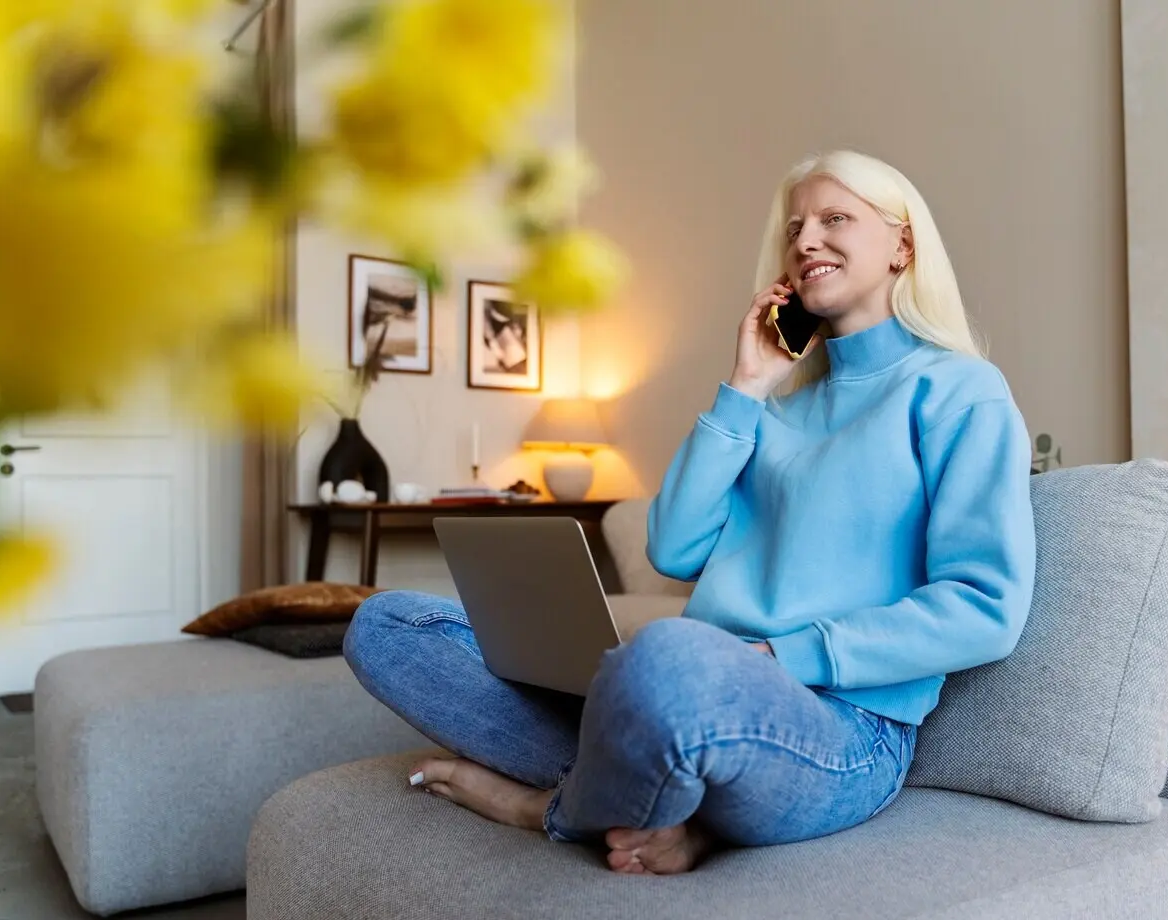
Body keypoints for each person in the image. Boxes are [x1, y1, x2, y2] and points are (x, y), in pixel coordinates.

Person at [343, 149, 1037, 876]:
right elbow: (673, 549)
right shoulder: (774, 410)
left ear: (903, 245)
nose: (804, 241)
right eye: (796, 227)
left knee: (666, 657)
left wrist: (776, 657)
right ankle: (646, 778)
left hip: (842, 730)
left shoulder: (959, 392)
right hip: (685, 693)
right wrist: (746, 387)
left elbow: (986, 606)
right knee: (386, 625)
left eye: (835, 219)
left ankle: (550, 807)